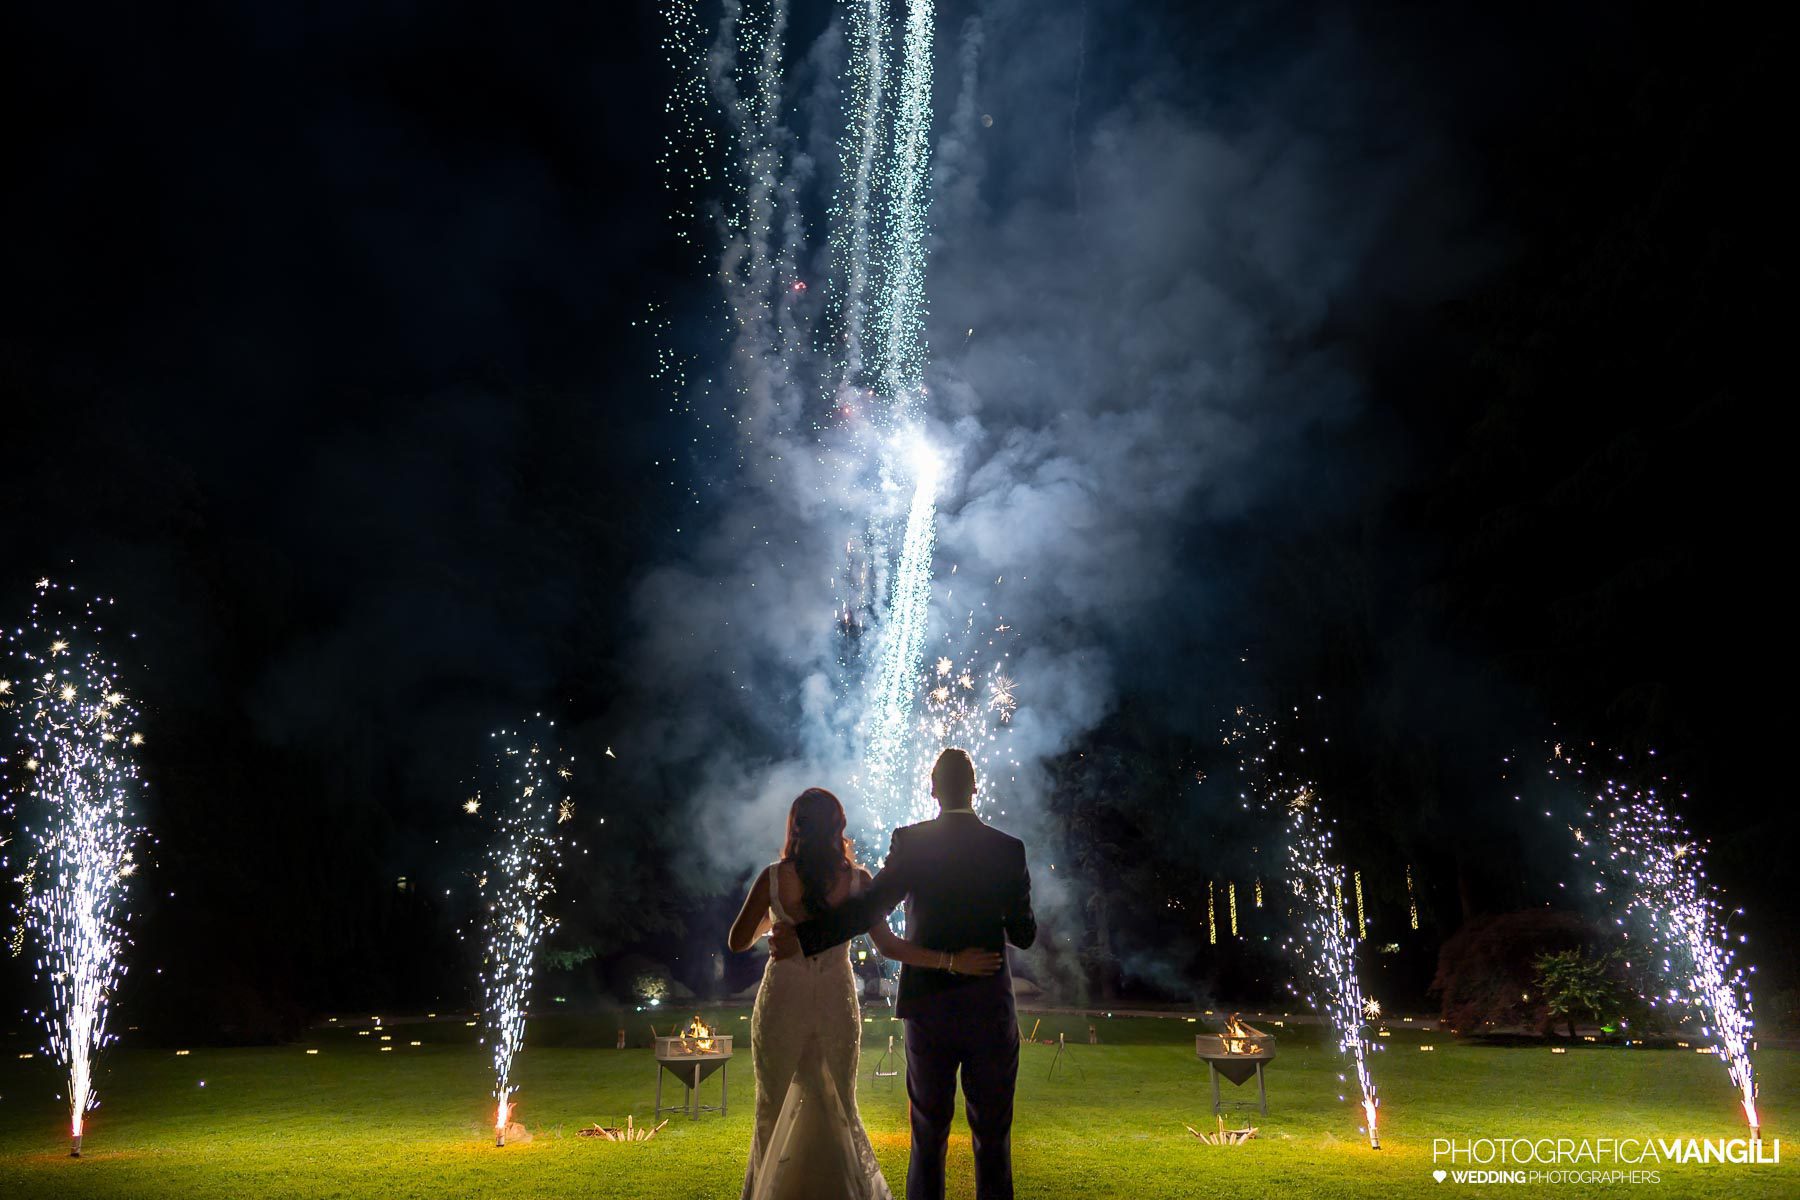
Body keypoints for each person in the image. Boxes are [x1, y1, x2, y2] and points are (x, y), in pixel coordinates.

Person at [769, 749, 1036, 1200]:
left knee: (928, 1136)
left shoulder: (911, 842)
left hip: (928, 1009)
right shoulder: (1008, 849)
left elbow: (868, 910)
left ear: (932, 789)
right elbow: (1024, 935)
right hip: (989, 1009)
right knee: (993, 1138)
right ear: (975, 787)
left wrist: (806, 936)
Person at [728, 786, 1000, 1200]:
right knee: (839, 1105)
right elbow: (891, 947)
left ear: (796, 826)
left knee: (772, 1106)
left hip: (783, 998)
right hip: (836, 999)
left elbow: (737, 941)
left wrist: (770, 922)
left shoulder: (774, 878)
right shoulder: (858, 881)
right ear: (839, 827)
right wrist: (952, 961)